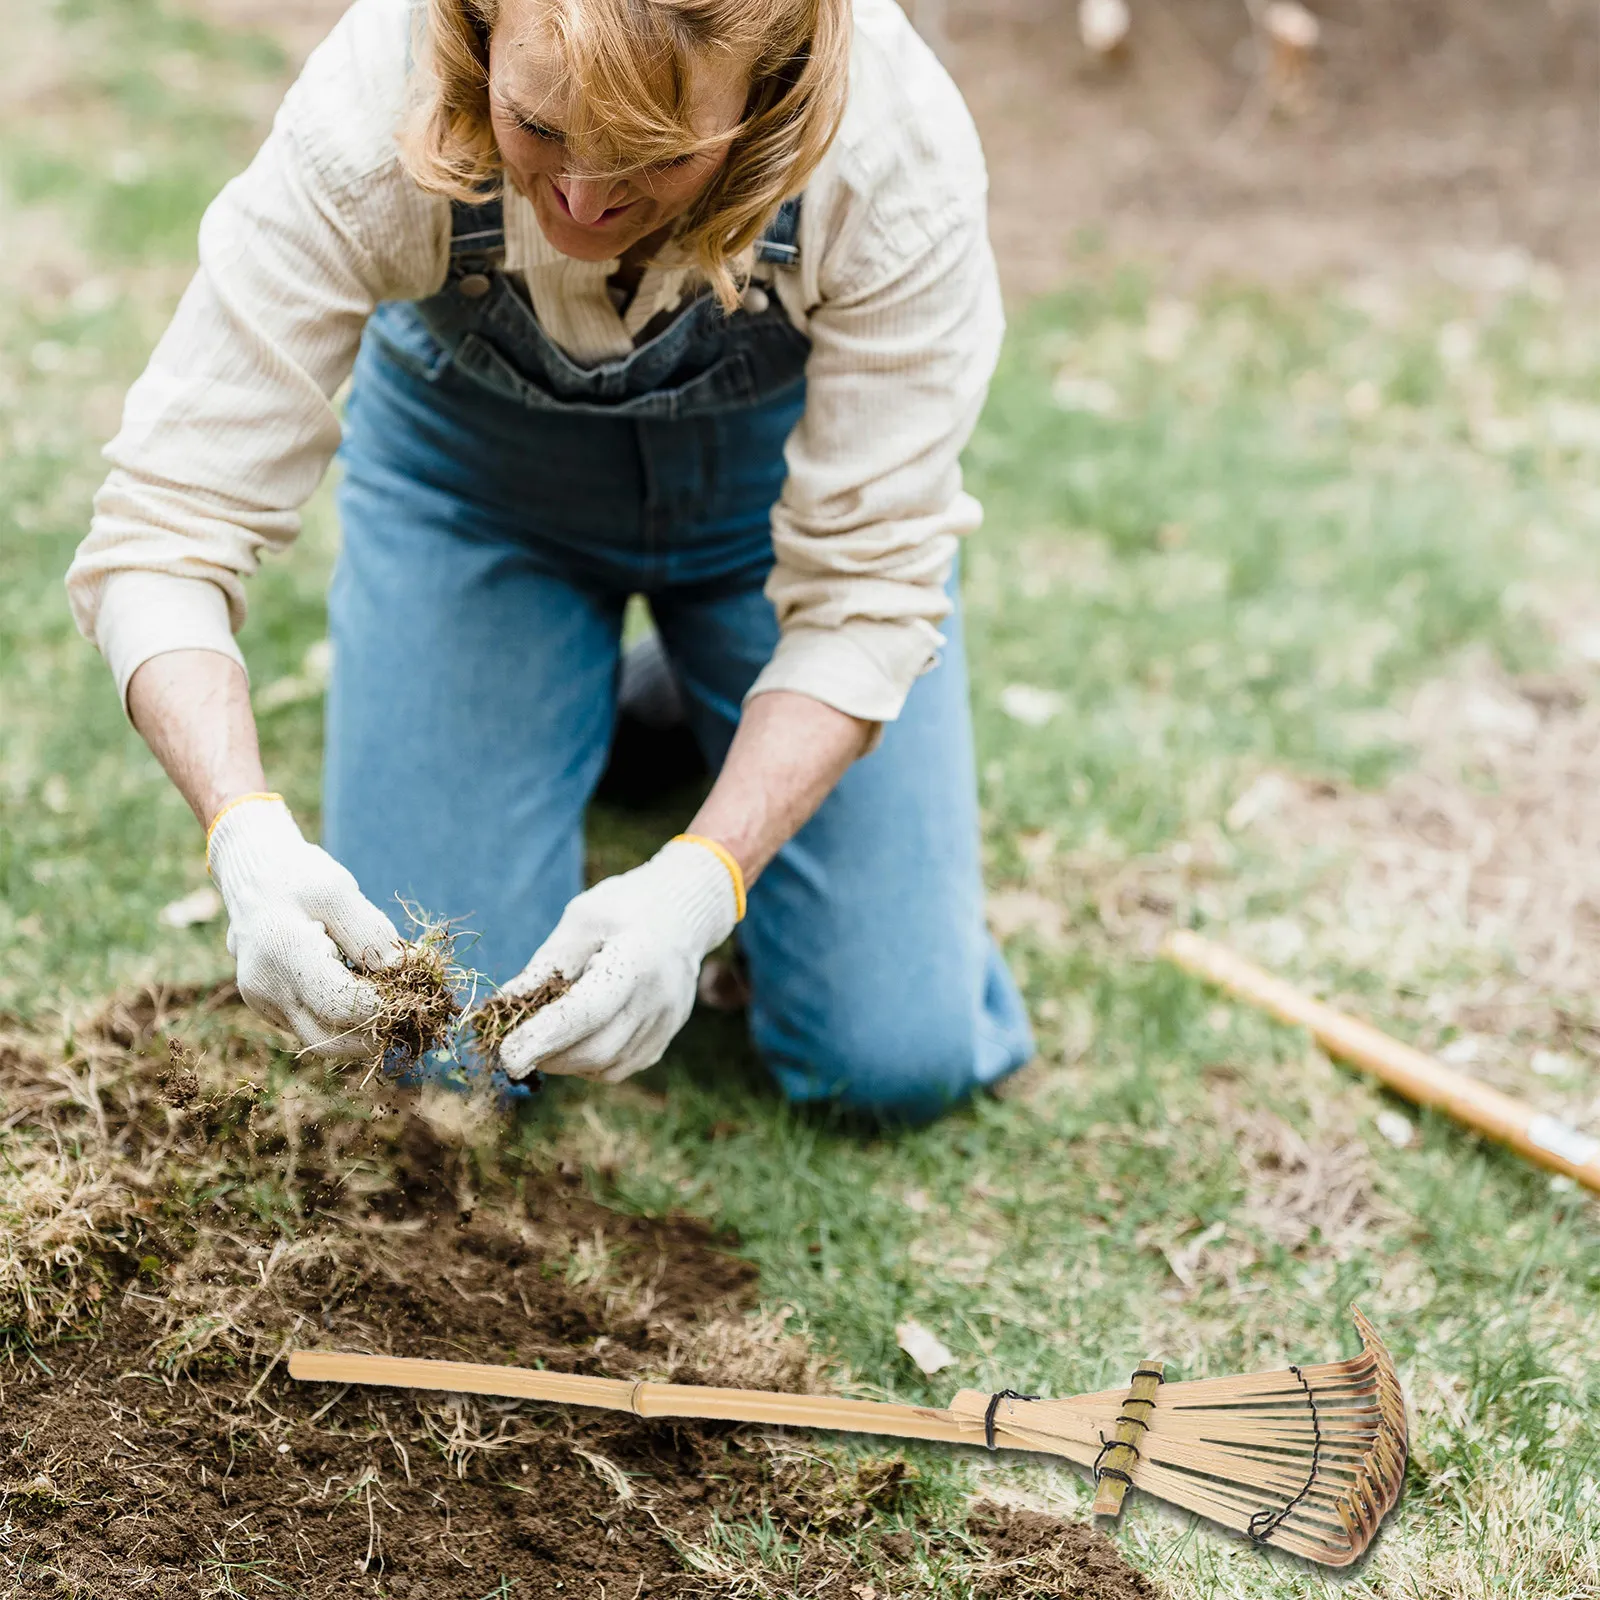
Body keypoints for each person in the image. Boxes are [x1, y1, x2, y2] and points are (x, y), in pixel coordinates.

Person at [66, 0, 1034, 1123]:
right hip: (478, 491)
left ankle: (679, 697)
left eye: (656, 155)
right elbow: (164, 527)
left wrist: (699, 884)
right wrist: (244, 838)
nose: (582, 198)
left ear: (766, 83)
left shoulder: (889, 145)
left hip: (765, 518)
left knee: (892, 1061)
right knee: (438, 1054)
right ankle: (631, 696)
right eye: (537, 126)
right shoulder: (375, 98)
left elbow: (865, 600)